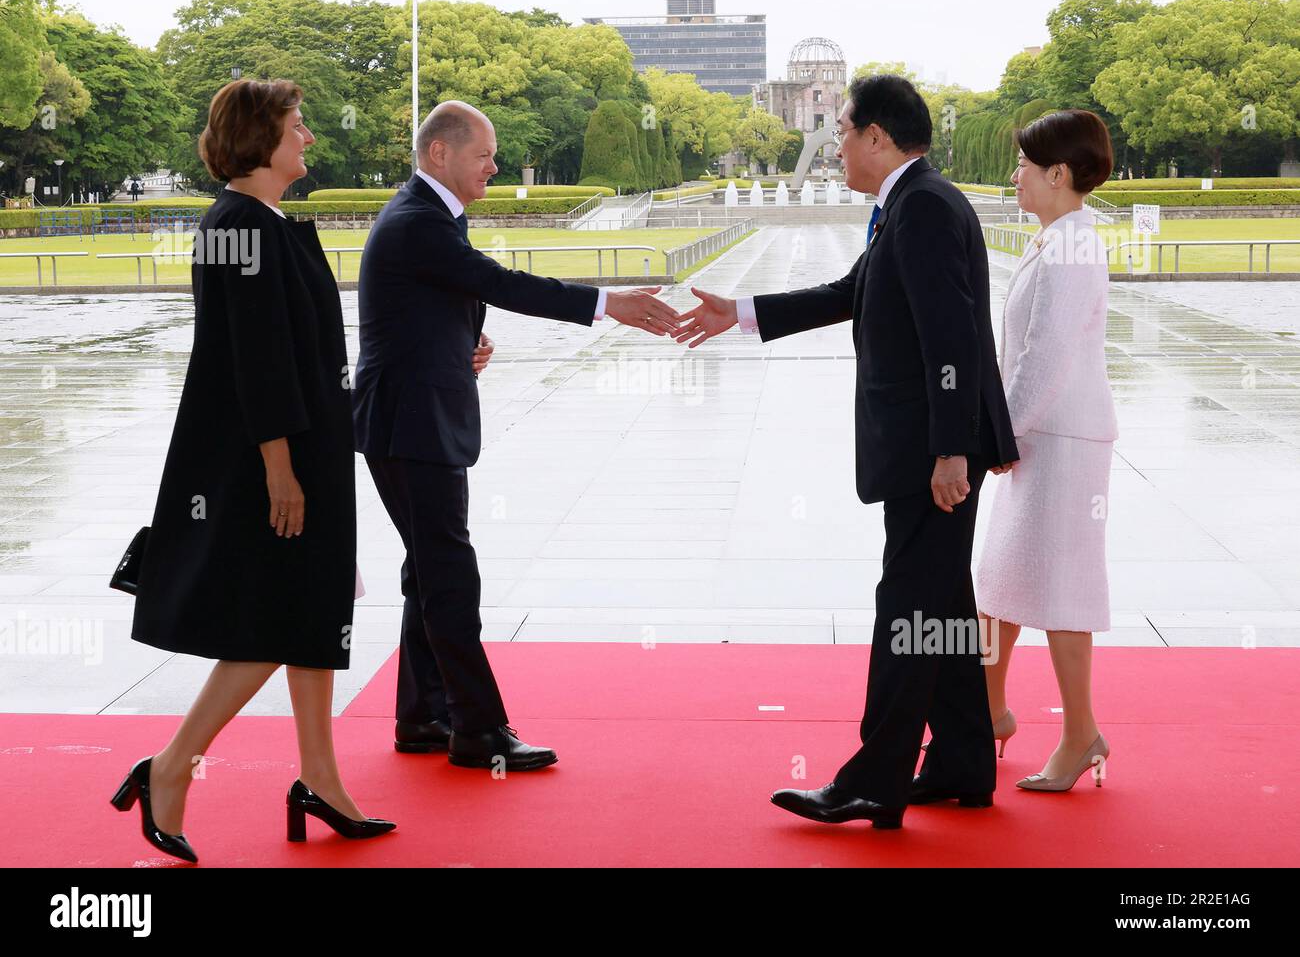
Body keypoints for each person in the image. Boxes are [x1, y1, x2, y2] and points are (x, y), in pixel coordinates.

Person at [676, 75, 1019, 828]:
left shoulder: (922, 207)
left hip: (934, 453)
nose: (836, 147)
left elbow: (951, 338)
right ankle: (963, 759)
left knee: (906, 608)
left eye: (845, 133)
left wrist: (951, 451)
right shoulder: (908, 203)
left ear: (877, 137)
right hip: (927, 446)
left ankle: (872, 779)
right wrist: (740, 313)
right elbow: (848, 293)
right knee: (940, 604)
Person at [111, 78, 394, 864]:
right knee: (277, 620)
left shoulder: (261, 223)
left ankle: (320, 779)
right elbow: (257, 361)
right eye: (295, 126)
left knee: (308, 611)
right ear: (257, 140)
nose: (308, 136)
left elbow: (297, 350)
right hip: (276, 457)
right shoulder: (240, 225)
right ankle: (170, 766)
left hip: (303, 449)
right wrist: (281, 468)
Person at [352, 100, 681, 772]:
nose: (494, 166)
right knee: (450, 573)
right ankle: (476, 728)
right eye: (484, 154)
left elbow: (441, 298)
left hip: (412, 416)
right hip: (411, 423)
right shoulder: (418, 219)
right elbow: (497, 281)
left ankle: (423, 714)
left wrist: (464, 341)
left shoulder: (427, 214)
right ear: (440, 153)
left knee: (430, 569)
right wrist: (607, 302)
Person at [975, 109, 1118, 792]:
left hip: (1058, 441)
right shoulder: (1057, 238)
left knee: (1060, 594)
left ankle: (1079, 733)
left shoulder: (1070, 245)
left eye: (1025, 165)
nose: (1015, 175)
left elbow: (1048, 353)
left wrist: (1002, 431)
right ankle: (989, 710)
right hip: (1043, 437)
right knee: (999, 582)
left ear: (1059, 174)